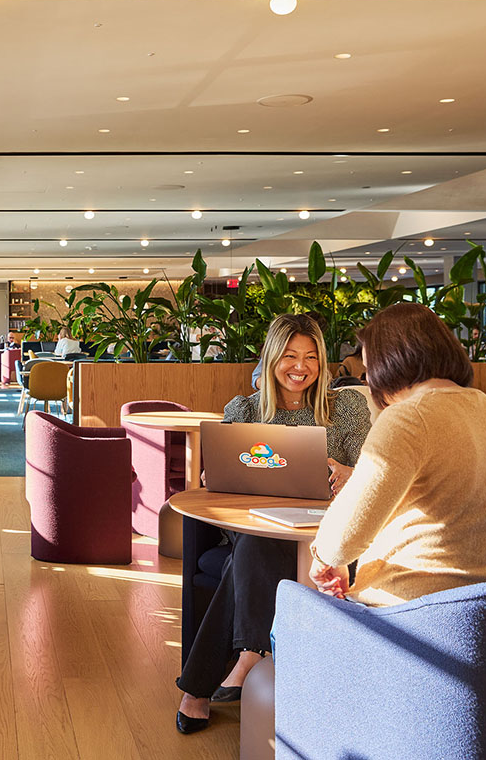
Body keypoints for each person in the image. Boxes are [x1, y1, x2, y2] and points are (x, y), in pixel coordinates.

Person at [176, 313, 371, 734]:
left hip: (324, 531)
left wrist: (349, 471)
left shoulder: (347, 407)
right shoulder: (243, 409)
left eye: (311, 357)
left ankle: (204, 684)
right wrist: (218, 473)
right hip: (253, 523)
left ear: (322, 363)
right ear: (270, 357)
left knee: (251, 553)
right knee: (258, 539)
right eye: (289, 355)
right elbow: (219, 477)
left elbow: (373, 471)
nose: (300, 367)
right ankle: (250, 653)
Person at [308, 303, 486, 606]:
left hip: (410, 611)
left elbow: (344, 537)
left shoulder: (406, 418)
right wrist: (481, 549)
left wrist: (324, 559)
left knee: (289, 616)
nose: (369, 381)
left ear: (389, 363)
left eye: (370, 370)